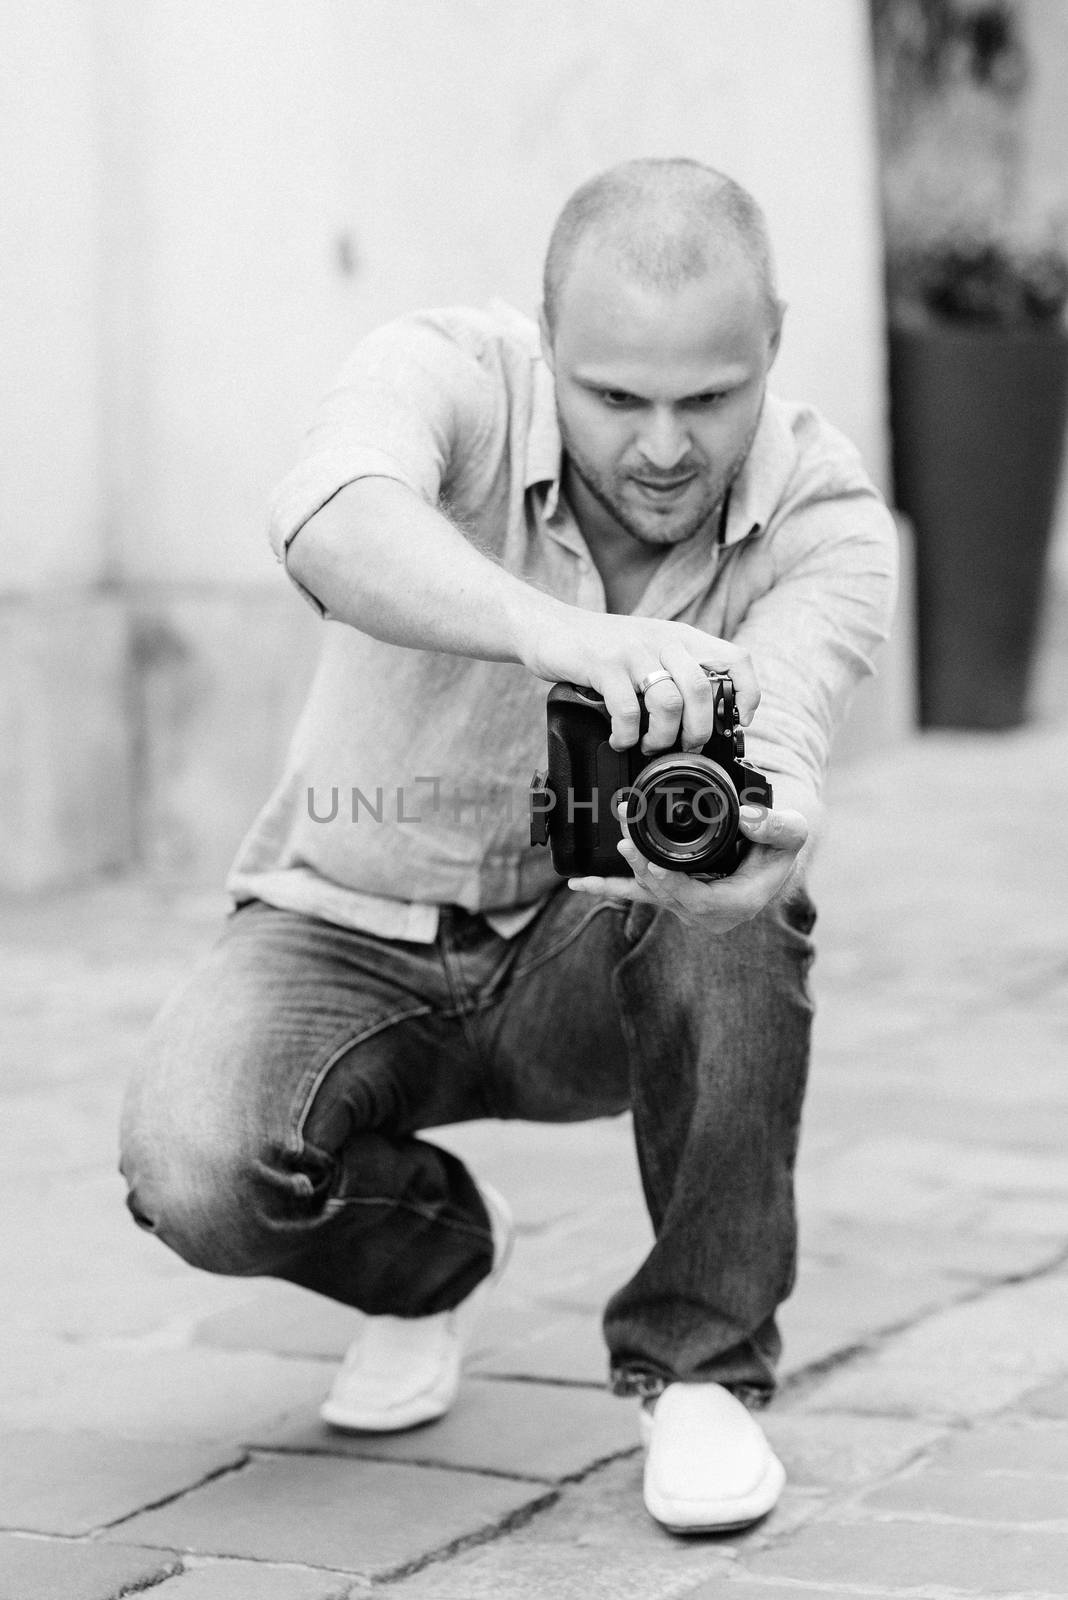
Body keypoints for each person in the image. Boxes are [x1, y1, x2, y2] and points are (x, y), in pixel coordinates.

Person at [119, 157, 897, 1534]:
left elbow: (782, 734)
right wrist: (559, 634)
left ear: (774, 343)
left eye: (711, 399)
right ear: (548, 343)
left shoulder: (827, 520)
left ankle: (703, 1366)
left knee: (742, 911)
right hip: (342, 924)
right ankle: (436, 1263)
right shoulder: (448, 373)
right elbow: (323, 513)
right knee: (194, 1169)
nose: (662, 445)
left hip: (592, 960)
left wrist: (768, 823)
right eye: (615, 397)